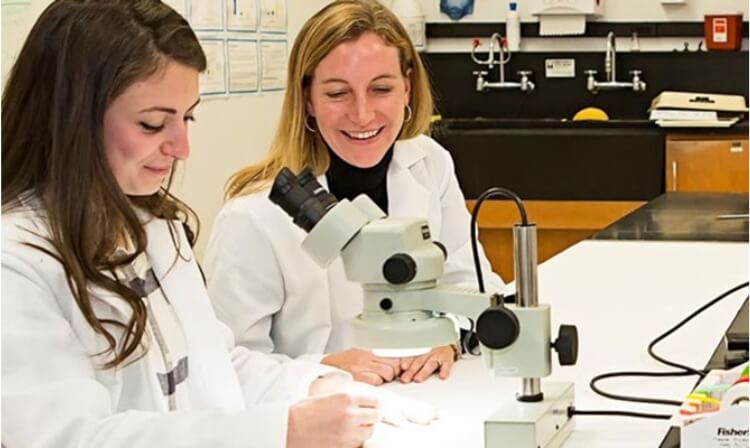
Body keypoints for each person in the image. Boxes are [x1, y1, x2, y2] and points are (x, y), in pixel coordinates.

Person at [1, 1, 433, 447]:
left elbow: (217, 369)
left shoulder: (155, 227)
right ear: (73, 119)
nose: (182, 147)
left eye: (187, 117)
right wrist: (283, 431)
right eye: (153, 124)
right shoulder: (17, 264)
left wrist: (320, 386)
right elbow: (66, 439)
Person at [204, 0, 505, 387]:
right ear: (307, 99)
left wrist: (448, 337)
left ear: (407, 88)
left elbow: (476, 284)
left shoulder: (430, 163)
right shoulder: (252, 216)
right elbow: (226, 364)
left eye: (381, 88)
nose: (362, 114)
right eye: (337, 93)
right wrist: (322, 368)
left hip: (427, 399)